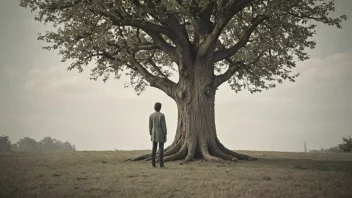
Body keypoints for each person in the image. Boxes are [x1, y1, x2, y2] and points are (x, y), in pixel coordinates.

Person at [149, 102, 167, 168]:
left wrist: (151, 133)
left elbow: (150, 126)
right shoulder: (162, 115)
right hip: (160, 132)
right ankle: (161, 164)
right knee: (161, 149)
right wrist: (165, 134)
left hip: (154, 133)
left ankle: (153, 164)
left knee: (154, 148)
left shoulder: (151, 115)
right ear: (160, 108)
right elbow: (163, 126)